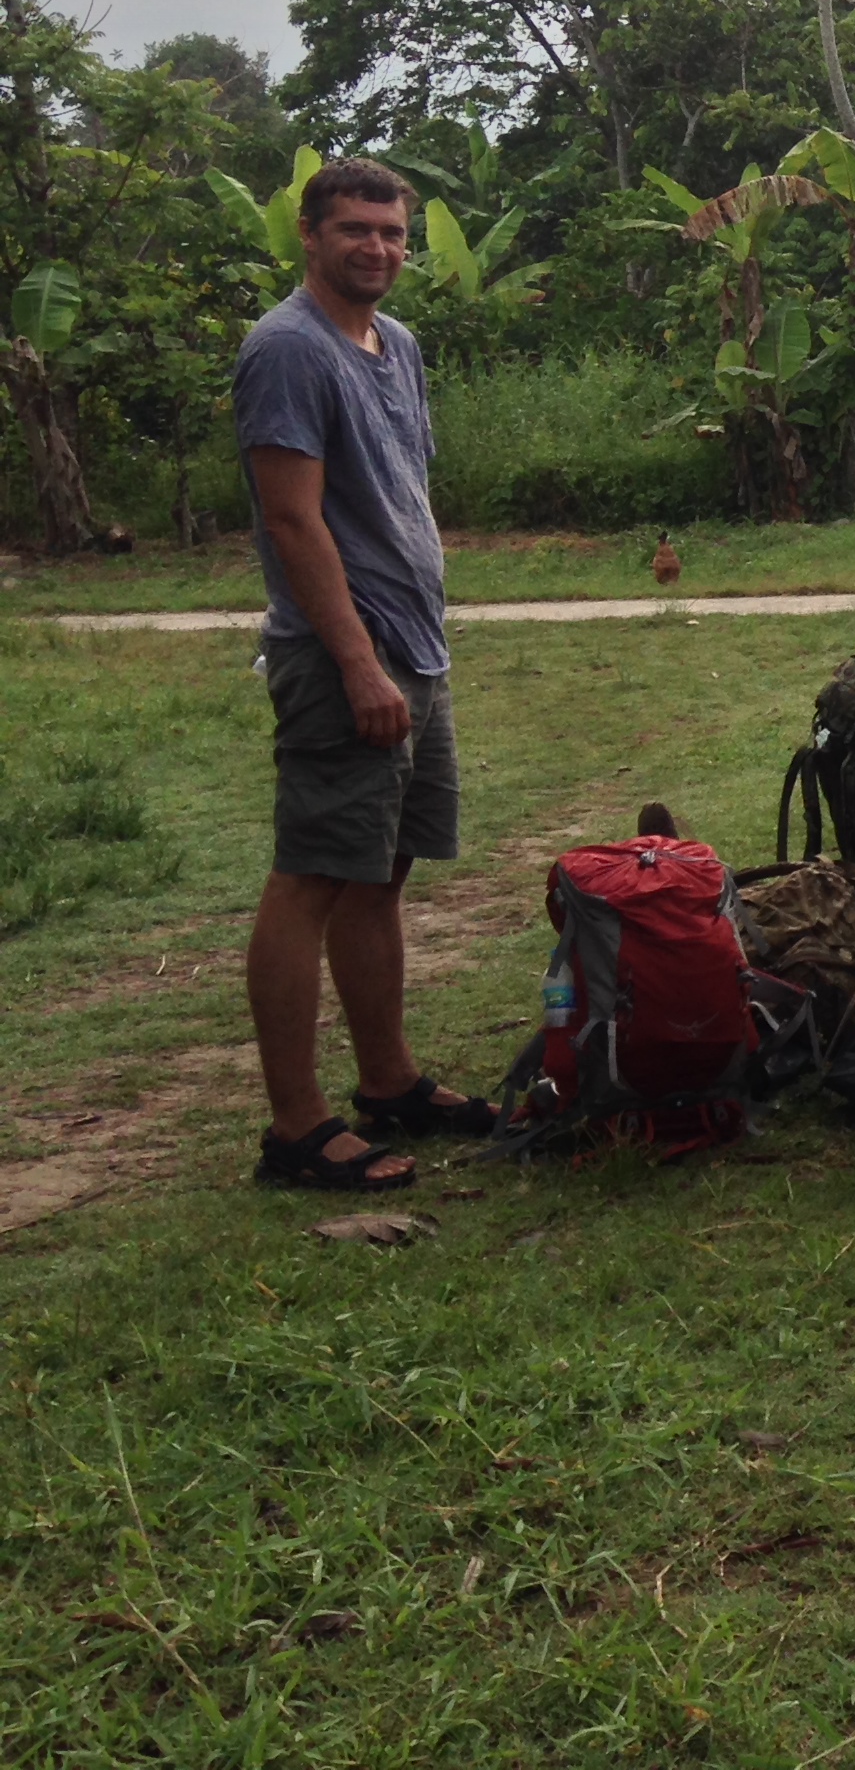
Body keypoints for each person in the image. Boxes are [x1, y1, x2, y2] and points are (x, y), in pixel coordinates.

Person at [235, 160, 492, 1192]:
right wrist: (355, 663)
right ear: (309, 235)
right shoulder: (287, 350)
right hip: (347, 653)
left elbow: (396, 492)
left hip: (413, 649)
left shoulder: (399, 346)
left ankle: (389, 1084)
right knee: (312, 874)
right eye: (354, 231)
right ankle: (296, 1129)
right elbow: (293, 519)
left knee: (379, 870)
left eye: (391, 233)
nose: (377, 248)